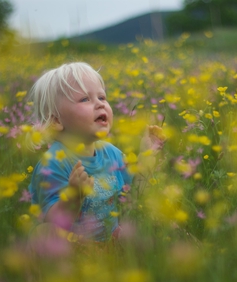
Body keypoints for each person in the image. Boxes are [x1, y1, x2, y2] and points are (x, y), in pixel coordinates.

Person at [27, 62, 164, 242]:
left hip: (112, 243)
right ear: (56, 121)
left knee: (158, 226)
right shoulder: (53, 163)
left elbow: (136, 194)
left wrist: (146, 157)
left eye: (102, 97)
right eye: (85, 99)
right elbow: (53, 220)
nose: (100, 104)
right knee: (42, 234)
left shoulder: (111, 153)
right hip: (74, 249)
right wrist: (74, 196)